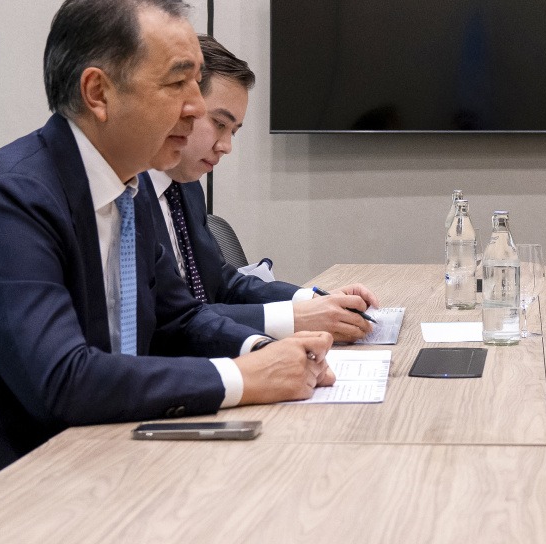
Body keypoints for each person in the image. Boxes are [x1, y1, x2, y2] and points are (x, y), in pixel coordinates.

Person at [0, 0, 335, 479]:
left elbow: (179, 320)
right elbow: (64, 380)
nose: (196, 107)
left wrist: (265, 353)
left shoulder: (130, 188)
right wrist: (241, 377)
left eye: (197, 84)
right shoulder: (8, 201)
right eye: (178, 83)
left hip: (105, 454)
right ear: (98, 93)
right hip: (2, 483)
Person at [141, 36, 379, 341]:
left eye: (234, 132)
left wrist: (313, 300)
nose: (226, 146)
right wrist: (296, 319)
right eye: (219, 124)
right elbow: (172, 319)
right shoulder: (128, 196)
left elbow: (221, 283)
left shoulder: (186, 188)